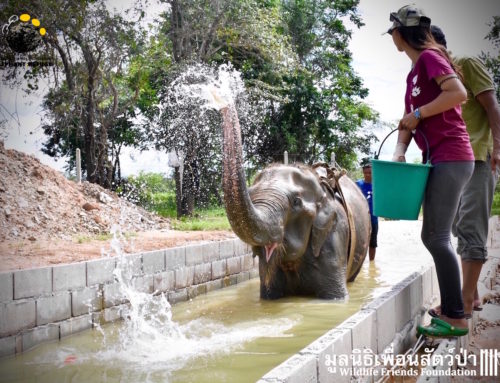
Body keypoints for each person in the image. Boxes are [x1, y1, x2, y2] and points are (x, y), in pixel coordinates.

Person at [386, 5, 474, 337]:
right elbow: (408, 120)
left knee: (437, 237)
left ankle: (456, 316)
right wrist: (398, 151)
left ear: (398, 34)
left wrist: (420, 112)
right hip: (438, 158)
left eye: (392, 33)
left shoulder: (429, 58)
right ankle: (453, 309)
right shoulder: (414, 74)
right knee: (432, 235)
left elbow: (458, 93)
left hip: (452, 155)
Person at [428, 25, 500, 318]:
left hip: (479, 159)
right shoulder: (439, 83)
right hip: (455, 165)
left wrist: (498, 147)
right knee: (459, 230)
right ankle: (473, 295)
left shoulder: (468, 64)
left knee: (470, 229)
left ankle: (462, 305)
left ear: (435, 46)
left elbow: (492, 106)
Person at [356, 158, 378, 261]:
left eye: (370, 172)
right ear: (363, 173)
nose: (368, 175)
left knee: (372, 244)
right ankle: (360, 265)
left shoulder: (378, 185)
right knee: (360, 243)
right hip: (361, 220)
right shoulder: (357, 185)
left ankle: (371, 264)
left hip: (373, 219)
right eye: (365, 173)